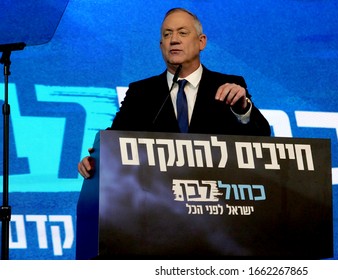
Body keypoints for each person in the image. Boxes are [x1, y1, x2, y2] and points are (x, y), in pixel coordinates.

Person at [77, 7, 271, 179]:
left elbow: (262, 136)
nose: (174, 40)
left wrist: (242, 109)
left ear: (201, 42)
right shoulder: (141, 93)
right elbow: (115, 141)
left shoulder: (229, 85)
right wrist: (95, 160)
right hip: (157, 203)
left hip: (218, 199)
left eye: (183, 33)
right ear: (161, 46)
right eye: (167, 34)